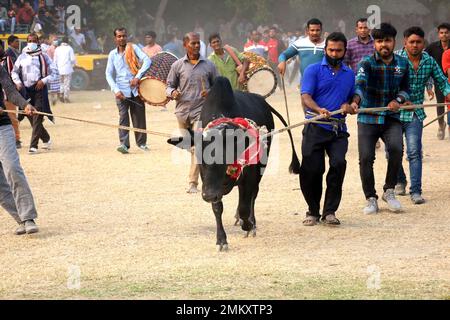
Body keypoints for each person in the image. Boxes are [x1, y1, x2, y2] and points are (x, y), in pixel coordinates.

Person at [351, 23, 410, 214]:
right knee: (366, 158)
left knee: (396, 149)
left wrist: (398, 99)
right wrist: (356, 101)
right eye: (379, 41)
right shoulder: (366, 63)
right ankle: (370, 198)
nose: (383, 44)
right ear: (374, 43)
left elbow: (406, 89)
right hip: (368, 116)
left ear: (394, 42)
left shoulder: (402, 63)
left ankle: (389, 191)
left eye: (387, 40)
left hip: (391, 116)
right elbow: (360, 84)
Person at [300, 32, 356, 226]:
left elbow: (353, 97)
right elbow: (306, 96)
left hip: (338, 129)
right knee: (312, 170)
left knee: (338, 164)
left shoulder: (349, 73)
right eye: (330, 49)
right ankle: (313, 211)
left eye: (338, 50)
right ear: (325, 50)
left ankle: (330, 211)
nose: (334, 53)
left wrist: (352, 104)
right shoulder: (313, 70)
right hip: (315, 125)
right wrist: (318, 109)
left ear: (344, 51)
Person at [392, 27, 450, 204]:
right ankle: (400, 180)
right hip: (393, 112)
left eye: (418, 42)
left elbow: (442, 81)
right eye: (412, 42)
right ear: (405, 43)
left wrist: (449, 93)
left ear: (423, 43)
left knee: (414, 151)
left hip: (415, 113)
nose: (415, 45)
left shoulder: (429, 61)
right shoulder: (394, 59)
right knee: (392, 151)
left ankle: (415, 191)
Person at [166, 32, 218, 194]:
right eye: (193, 43)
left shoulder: (209, 65)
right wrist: (173, 93)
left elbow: (218, 88)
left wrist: (209, 92)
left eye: (198, 43)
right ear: (185, 45)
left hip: (201, 112)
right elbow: (168, 86)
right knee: (189, 145)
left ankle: (193, 183)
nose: (196, 46)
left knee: (197, 147)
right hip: (182, 113)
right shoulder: (178, 65)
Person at [0, 64, 40, 235]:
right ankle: (21, 218)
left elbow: (10, 91)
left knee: (12, 168)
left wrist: (24, 104)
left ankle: (28, 217)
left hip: (2, 127)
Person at [105, 27, 151, 154]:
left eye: (124, 36)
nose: (122, 38)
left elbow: (147, 60)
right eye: (119, 36)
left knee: (139, 117)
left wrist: (137, 77)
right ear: (115, 38)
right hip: (121, 91)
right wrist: (115, 89)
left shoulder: (133, 48)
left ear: (127, 37)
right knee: (123, 117)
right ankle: (124, 145)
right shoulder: (112, 54)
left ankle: (142, 143)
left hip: (136, 90)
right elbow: (108, 74)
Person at [11, 33, 57, 154]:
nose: (31, 42)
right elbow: (14, 72)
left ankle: (33, 146)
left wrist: (44, 80)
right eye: (29, 40)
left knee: (37, 116)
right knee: (30, 117)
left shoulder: (44, 56)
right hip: (25, 91)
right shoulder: (22, 56)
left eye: (34, 40)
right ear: (27, 42)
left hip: (39, 89)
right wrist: (17, 82)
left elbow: (54, 72)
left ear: (38, 42)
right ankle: (46, 138)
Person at [278, 18, 325, 85]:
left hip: (324, 83)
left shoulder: (328, 45)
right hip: (306, 83)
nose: (315, 33)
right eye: (312, 30)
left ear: (321, 31)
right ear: (307, 31)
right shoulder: (300, 43)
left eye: (317, 30)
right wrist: (282, 62)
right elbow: (283, 55)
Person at [425, 23, 450, 140]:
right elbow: (423, 59)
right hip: (439, 81)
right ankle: (441, 125)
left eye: (446, 32)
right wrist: (428, 85)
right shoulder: (432, 47)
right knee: (440, 103)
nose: (444, 35)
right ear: (438, 34)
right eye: (441, 33)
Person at [54, 36, 76, 103]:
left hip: (59, 69)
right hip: (67, 69)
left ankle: (61, 94)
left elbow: (54, 60)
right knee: (66, 83)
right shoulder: (70, 48)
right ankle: (66, 97)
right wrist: (72, 65)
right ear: (68, 41)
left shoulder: (57, 49)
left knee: (61, 83)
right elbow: (72, 59)